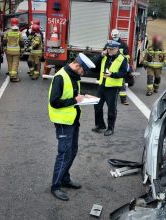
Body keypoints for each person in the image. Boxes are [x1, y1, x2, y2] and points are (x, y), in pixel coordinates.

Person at [48, 53, 96, 201]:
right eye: (83, 71)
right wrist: (74, 100)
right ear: (77, 66)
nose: (83, 74)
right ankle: (55, 186)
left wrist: (83, 96)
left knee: (72, 151)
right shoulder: (60, 77)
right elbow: (54, 102)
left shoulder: (72, 75)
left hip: (73, 120)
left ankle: (65, 179)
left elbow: (73, 94)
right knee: (64, 153)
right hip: (63, 122)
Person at [92, 40, 128, 136]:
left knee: (111, 109)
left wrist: (112, 75)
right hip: (102, 85)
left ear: (117, 49)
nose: (109, 51)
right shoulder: (105, 56)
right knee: (97, 106)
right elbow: (93, 65)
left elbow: (124, 73)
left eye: (112, 49)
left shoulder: (122, 59)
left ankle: (110, 128)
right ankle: (100, 125)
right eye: (108, 49)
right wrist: (101, 55)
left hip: (113, 87)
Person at [110, 29, 130, 105]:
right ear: (112, 36)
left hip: (121, 65)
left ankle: (123, 100)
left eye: (116, 36)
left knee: (122, 83)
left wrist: (126, 65)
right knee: (110, 81)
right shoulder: (110, 43)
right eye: (114, 36)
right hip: (112, 65)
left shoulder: (123, 45)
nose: (115, 37)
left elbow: (127, 56)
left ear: (118, 35)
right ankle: (109, 97)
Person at [3, 18, 23, 82]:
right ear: (18, 24)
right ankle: (13, 77)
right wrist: (22, 50)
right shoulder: (19, 33)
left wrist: (4, 48)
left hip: (8, 50)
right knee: (15, 63)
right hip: (16, 51)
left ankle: (10, 72)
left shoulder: (7, 32)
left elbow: (4, 41)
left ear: (11, 24)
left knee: (10, 62)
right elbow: (21, 42)